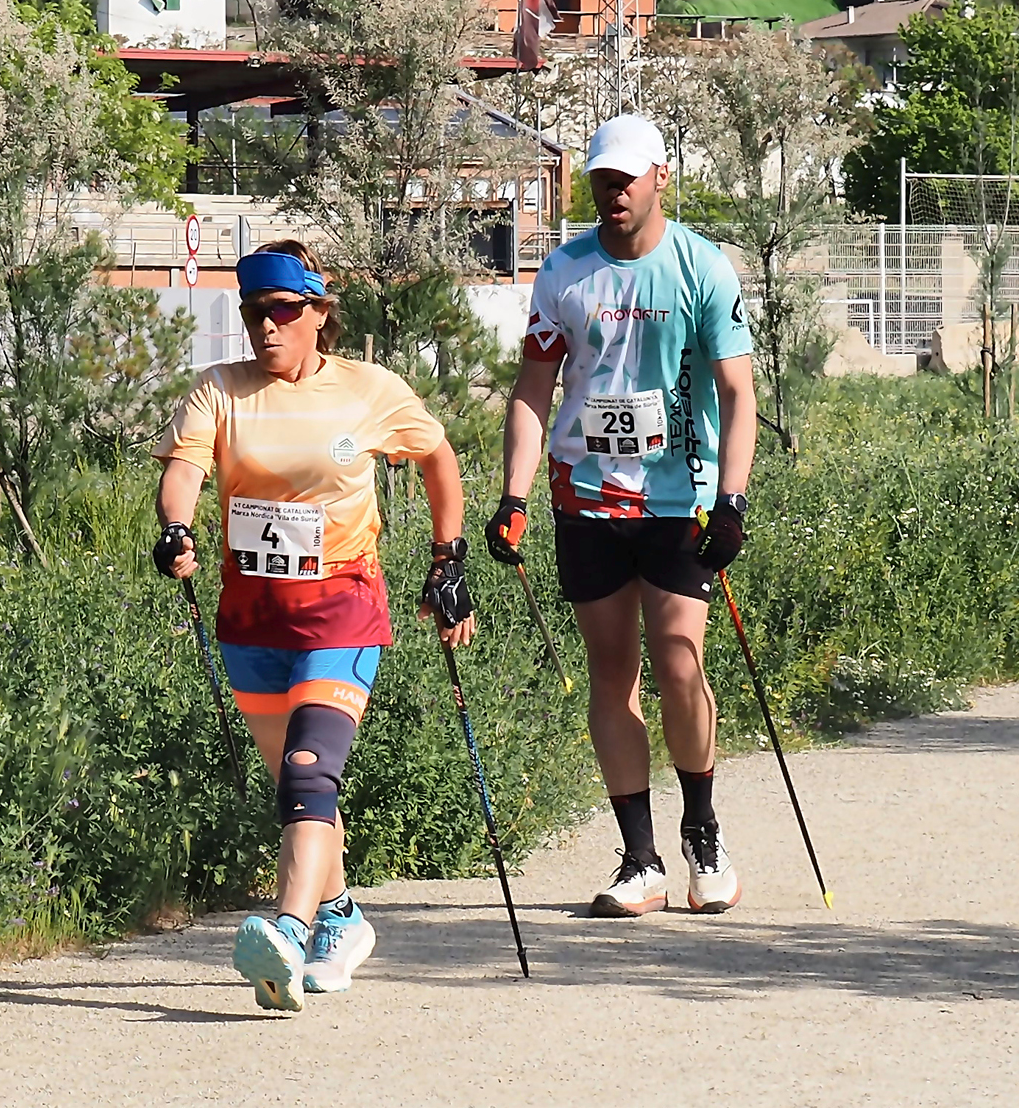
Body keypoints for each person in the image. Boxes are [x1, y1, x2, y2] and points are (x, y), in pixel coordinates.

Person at [151, 241, 476, 1012]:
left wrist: (447, 557)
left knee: (307, 771)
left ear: (319, 314)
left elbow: (438, 459)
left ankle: (288, 931)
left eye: (284, 311)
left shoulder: (368, 390)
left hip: (343, 608)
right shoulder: (218, 391)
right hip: (253, 618)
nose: (267, 326)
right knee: (298, 794)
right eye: (254, 312)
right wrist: (175, 528)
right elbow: (184, 473)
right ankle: (344, 916)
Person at [484, 114, 756, 917]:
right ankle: (638, 858)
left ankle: (702, 831)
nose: (613, 192)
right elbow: (533, 390)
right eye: (602, 179)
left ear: (660, 178)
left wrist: (732, 501)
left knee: (679, 663)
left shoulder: (700, 267)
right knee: (613, 674)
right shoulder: (563, 273)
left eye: (626, 179)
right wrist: (513, 496)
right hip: (586, 499)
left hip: (679, 499)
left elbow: (738, 393)